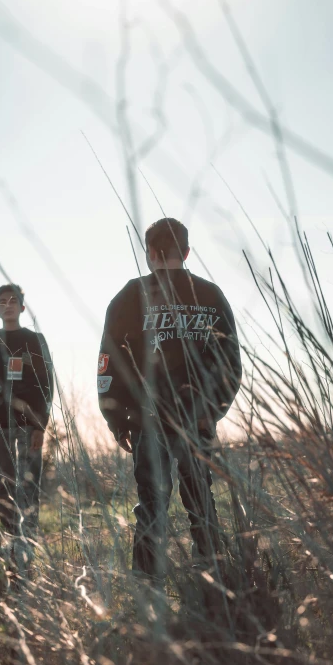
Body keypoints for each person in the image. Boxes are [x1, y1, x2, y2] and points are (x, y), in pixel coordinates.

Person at [97, 218, 241, 584]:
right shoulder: (210, 294)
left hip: (148, 417)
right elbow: (231, 363)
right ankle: (213, 578)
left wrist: (118, 419)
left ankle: (147, 587)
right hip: (196, 418)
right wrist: (211, 413)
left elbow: (108, 362)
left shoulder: (130, 295)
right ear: (187, 251)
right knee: (199, 497)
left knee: (153, 502)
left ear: (149, 253)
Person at [0, 284, 53, 573]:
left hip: (29, 426)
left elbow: (46, 384)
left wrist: (40, 425)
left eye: (13, 301)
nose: (8, 305)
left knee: (30, 486)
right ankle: (9, 545)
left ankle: (28, 548)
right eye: (2, 302)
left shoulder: (35, 341)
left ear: (22, 307)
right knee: (3, 488)